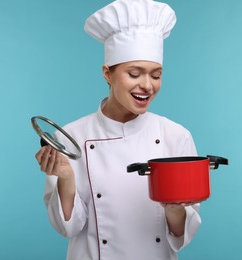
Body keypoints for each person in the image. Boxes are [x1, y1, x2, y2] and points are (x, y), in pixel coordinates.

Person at [35, 0, 202, 259]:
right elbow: (69, 228)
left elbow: (180, 238)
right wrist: (66, 176)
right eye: (134, 74)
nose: (147, 85)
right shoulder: (72, 137)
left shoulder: (175, 136)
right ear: (107, 74)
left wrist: (173, 209)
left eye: (156, 75)